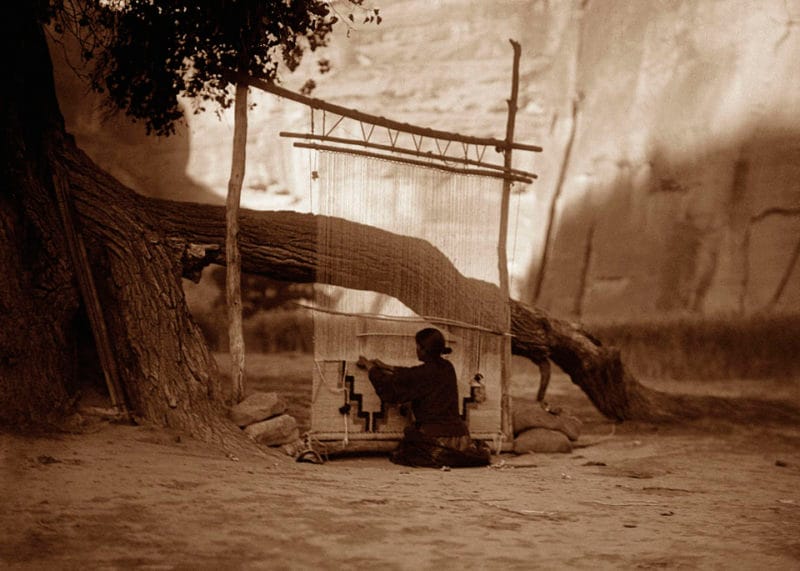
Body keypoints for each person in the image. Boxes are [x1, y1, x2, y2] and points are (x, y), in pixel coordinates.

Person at [357, 327, 491, 468]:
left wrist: (370, 367)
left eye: (418, 347)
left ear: (424, 350)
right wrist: (388, 367)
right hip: (461, 439)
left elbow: (391, 387)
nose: (416, 350)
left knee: (405, 449)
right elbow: (410, 374)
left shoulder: (423, 373)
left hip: (438, 440)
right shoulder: (447, 367)